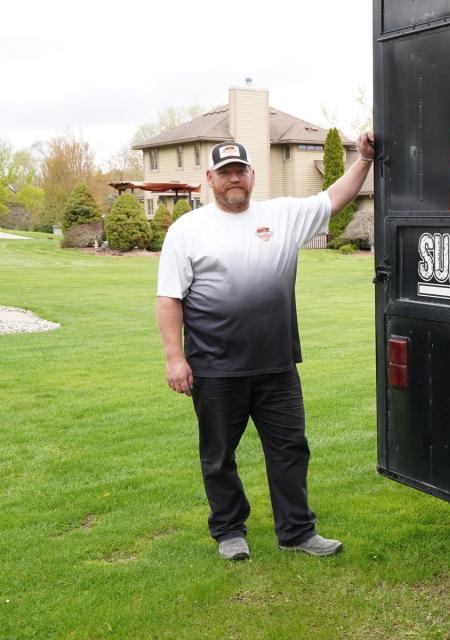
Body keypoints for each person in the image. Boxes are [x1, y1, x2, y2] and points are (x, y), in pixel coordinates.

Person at [156, 135, 374, 561]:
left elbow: (335, 197)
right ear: (210, 179)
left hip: (276, 366)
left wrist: (364, 158)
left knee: (290, 449)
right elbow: (169, 298)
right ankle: (229, 530)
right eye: (225, 173)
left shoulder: (282, 216)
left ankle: (297, 531)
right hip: (215, 369)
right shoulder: (187, 230)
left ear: (252, 175)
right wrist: (174, 357)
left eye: (240, 171)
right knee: (219, 456)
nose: (234, 179)